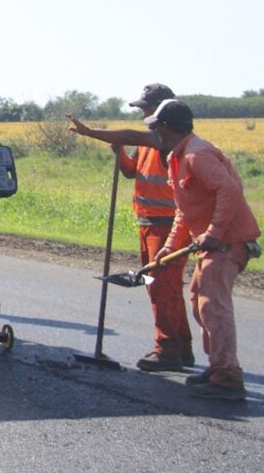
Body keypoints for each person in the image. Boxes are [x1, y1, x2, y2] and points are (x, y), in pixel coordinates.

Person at [71, 99, 261, 399]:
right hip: (215, 242)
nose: (153, 133)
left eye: (156, 127)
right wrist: (169, 249)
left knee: (212, 304)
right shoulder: (178, 156)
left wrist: (213, 233)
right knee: (198, 299)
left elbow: (230, 190)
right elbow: (184, 212)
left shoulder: (197, 154)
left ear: (166, 128)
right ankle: (218, 366)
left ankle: (227, 376)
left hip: (229, 241)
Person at [67, 84, 193, 372]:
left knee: (161, 286)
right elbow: (130, 171)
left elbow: (129, 134)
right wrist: (120, 151)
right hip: (149, 221)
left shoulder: (166, 138)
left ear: (163, 109)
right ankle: (181, 346)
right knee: (165, 286)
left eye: (146, 107)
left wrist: (91, 132)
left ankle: (167, 349)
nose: (143, 113)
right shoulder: (150, 139)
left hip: (167, 223)